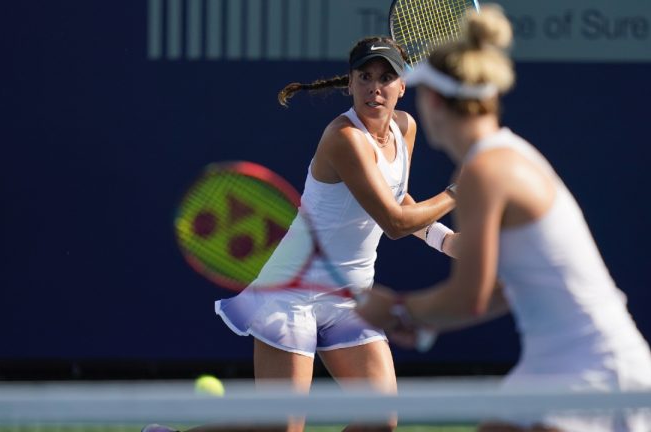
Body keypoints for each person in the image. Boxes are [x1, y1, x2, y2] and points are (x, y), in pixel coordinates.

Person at [356, 6, 651, 432]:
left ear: (432, 101)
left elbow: (470, 297)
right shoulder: (500, 158)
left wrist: (400, 310)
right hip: (553, 365)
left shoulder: (486, 172)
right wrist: (422, 321)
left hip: (596, 368)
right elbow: (501, 289)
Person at [144, 36, 458, 432]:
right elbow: (394, 222)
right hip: (292, 292)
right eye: (365, 76)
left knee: (380, 420)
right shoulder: (343, 138)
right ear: (350, 83)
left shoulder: (404, 129)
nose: (374, 87)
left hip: (349, 296)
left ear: (402, 86)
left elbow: (396, 198)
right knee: (282, 428)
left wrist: (446, 240)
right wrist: (455, 193)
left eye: (386, 77)